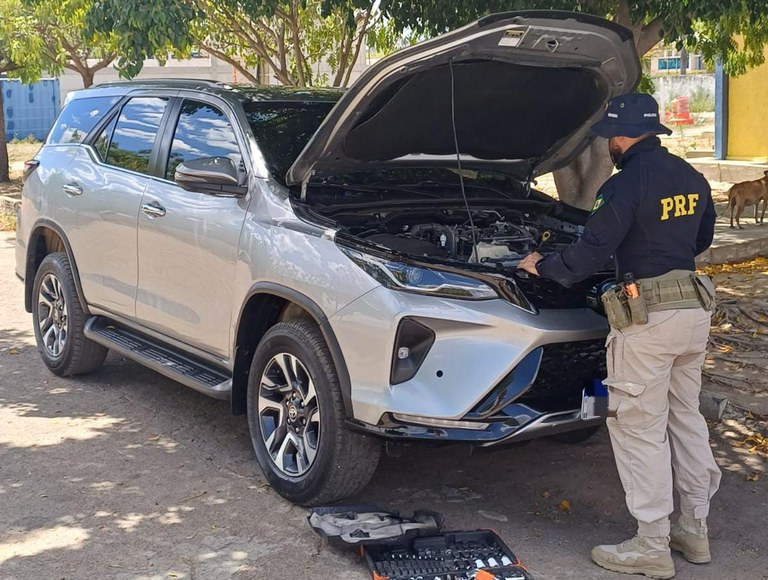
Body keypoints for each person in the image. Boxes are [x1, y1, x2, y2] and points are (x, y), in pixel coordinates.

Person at [517, 93, 721, 579]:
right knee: (684, 418)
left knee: (637, 425)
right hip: (694, 310)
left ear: (622, 136)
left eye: (610, 136)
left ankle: (651, 543)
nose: (608, 144)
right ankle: (694, 528)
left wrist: (542, 265)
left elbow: (589, 254)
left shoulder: (624, 185)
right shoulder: (692, 179)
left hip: (649, 321)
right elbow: (701, 239)